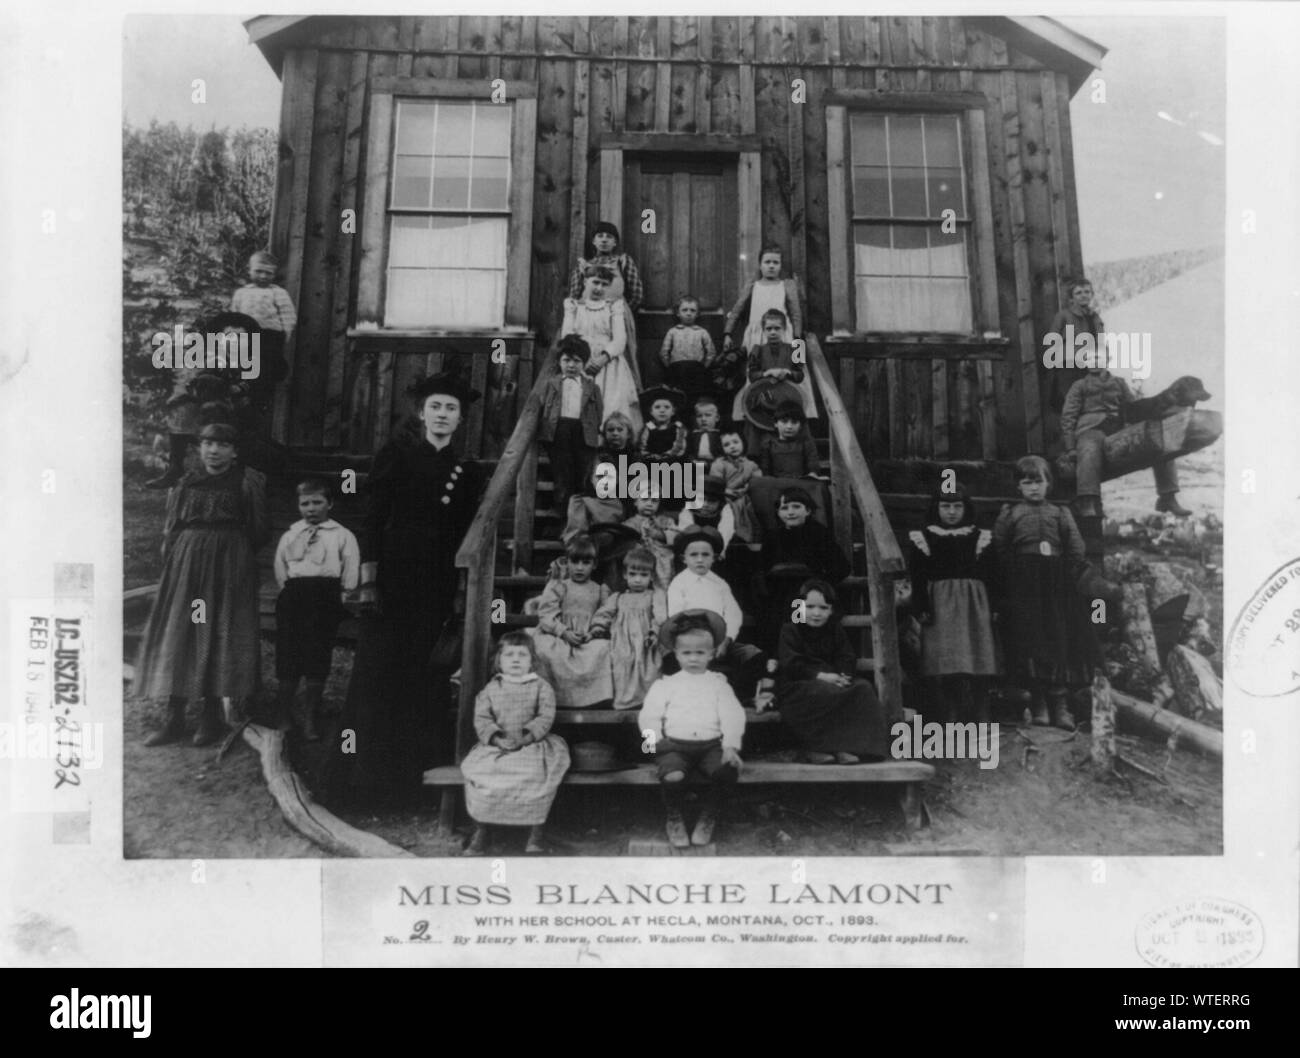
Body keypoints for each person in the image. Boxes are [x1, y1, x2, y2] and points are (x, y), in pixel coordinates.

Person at [322, 372, 485, 807]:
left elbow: (466, 532)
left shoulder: (464, 470)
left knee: (422, 675)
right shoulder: (396, 454)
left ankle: (410, 786)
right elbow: (373, 519)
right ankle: (357, 784)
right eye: (436, 406)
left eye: (451, 409)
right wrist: (370, 580)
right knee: (377, 674)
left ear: (460, 419)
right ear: (421, 412)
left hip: (435, 583)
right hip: (393, 578)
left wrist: (458, 589)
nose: (443, 415)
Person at [135, 407, 268, 746]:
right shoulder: (185, 482)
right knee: (183, 630)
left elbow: (259, 530)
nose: (214, 450)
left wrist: (231, 553)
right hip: (187, 566)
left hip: (228, 564)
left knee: (217, 632)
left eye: (223, 444)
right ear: (199, 448)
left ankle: (211, 717)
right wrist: (179, 558)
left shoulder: (247, 481)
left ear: (234, 451)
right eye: (208, 443)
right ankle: (174, 717)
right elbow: (172, 526)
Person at [992, 455, 1100, 730]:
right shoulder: (1011, 513)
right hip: (1025, 585)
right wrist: (1014, 575)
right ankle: (1038, 703)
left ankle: (1061, 705)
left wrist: (1067, 574)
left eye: (1038, 482)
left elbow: (1076, 547)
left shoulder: (1060, 513)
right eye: (1027, 483)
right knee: (1031, 638)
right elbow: (1000, 547)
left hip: (1056, 583)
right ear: (1018, 487)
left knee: (1059, 638)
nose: (1033, 488)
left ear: (1048, 484)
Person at [639, 610, 746, 848]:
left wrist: (730, 745)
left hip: (710, 745)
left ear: (711, 654)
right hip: (675, 745)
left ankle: (709, 814)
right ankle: (674, 815)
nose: (693, 658)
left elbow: (732, 714)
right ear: (676, 654)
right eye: (686, 653)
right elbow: (649, 716)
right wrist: (653, 742)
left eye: (700, 653)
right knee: (673, 775)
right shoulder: (666, 684)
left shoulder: (718, 683)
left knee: (727, 770)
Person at [461, 633, 570, 856]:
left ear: (532, 661)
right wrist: (496, 739)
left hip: (532, 744)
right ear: (499, 661)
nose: (516, 659)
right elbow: (482, 719)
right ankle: (482, 829)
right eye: (509, 655)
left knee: (535, 774)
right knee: (484, 773)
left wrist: (527, 737)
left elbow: (545, 716)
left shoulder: (541, 687)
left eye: (522, 655)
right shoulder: (491, 689)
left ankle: (535, 833)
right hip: (497, 746)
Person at [272, 477, 360, 741]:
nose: (310, 508)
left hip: (325, 597)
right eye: (305, 503)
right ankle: (284, 713)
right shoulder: (291, 534)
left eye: (317, 502)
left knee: (317, 653)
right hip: (295, 596)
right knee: (289, 651)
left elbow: (351, 567)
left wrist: (344, 594)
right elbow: (281, 567)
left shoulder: (342, 535)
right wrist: (289, 591)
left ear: (329, 503)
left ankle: (311, 716)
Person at [907, 485, 998, 725]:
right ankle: (951, 712)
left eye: (957, 506)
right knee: (945, 659)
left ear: (966, 509)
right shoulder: (924, 537)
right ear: (936, 509)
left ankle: (981, 710)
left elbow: (995, 575)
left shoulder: (980, 537)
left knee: (978, 654)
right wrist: (921, 606)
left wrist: (996, 606)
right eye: (945, 506)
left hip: (974, 604)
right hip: (941, 605)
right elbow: (917, 576)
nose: (951, 512)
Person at [775, 580, 894, 763]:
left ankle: (853, 749)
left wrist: (844, 676)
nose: (816, 613)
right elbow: (791, 664)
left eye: (823, 608)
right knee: (825, 692)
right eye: (810, 607)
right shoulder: (791, 629)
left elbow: (846, 656)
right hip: (799, 683)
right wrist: (822, 676)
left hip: (833, 679)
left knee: (863, 688)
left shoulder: (834, 629)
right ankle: (816, 748)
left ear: (831, 610)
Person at [1061, 363, 1190, 518]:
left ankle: (1168, 497)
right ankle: (1087, 500)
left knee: (1158, 439)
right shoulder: (1079, 385)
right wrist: (1070, 447)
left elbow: (1133, 407)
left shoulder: (1119, 383)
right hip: (1091, 429)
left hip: (1117, 427)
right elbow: (1068, 417)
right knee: (1089, 448)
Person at [666, 526, 765, 699]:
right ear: (684, 559)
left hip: (721, 641)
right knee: (673, 661)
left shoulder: (720, 584)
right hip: (692, 641)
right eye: (693, 555)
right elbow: (676, 615)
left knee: (753, 655)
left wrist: (726, 640)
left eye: (705, 555)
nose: (699, 560)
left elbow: (734, 614)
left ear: (714, 558)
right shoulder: (679, 584)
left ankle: (734, 693)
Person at [723, 247, 815, 421]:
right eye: (767, 262)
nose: (771, 266)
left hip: (784, 333)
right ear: (760, 264)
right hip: (757, 333)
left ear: (780, 265)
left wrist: (797, 339)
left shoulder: (787, 285)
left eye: (775, 262)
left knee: (794, 369)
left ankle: (798, 411)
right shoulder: (753, 285)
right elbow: (737, 309)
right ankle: (754, 412)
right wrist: (728, 333)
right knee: (756, 370)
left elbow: (796, 313)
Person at [755, 486, 850, 652]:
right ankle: (775, 660)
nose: (790, 512)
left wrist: (819, 586)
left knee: (798, 616)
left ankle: (801, 658)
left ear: (808, 510)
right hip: (779, 592)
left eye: (796, 507)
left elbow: (841, 567)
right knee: (770, 618)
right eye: (785, 508)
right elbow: (762, 567)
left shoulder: (819, 534)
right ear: (778, 512)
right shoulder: (773, 536)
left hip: (808, 592)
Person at [530, 534, 614, 709]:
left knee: (604, 649)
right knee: (543, 647)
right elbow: (546, 614)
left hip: (587, 639)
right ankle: (551, 698)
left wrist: (593, 632)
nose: (579, 568)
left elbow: (604, 615)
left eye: (586, 563)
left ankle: (594, 700)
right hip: (560, 635)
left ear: (594, 565)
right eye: (575, 562)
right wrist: (563, 631)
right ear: (567, 562)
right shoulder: (559, 586)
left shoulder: (599, 590)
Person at [562, 263, 642, 433]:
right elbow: (567, 335)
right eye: (596, 282)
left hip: (609, 365)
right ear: (585, 281)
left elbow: (620, 339)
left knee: (611, 405)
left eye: (604, 284)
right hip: (580, 363)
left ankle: (610, 448)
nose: (599, 288)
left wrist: (602, 359)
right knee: (580, 405)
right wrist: (583, 359)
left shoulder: (613, 307)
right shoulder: (574, 306)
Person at [590, 547, 669, 710]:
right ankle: (624, 701)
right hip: (622, 643)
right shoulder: (617, 597)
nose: (638, 580)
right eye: (633, 574)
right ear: (625, 575)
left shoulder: (654, 596)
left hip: (646, 642)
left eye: (643, 575)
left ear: (652, 576)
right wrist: (598, 626)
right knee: (621, 663)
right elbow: (603, 614)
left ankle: (647, 702)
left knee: (649, 668)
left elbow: (660, 617)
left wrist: (654, 633)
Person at [539, 334, 604, 515]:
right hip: (559, 431)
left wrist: (594, 432)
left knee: (582, 475)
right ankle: (563, 516)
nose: (571, 365)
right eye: (566, 360)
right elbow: (543, 407)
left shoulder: (591, 387)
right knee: (562, 474)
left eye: (577, 361)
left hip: (582, 432)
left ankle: (581, 518)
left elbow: (598, 411)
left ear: (584, 363)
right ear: (559, 362)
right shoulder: (552, 384)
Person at [229, 250, 295, 389]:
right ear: (249, 271)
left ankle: (262, 390)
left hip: (270, 336)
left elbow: (288, 315)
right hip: (247, 336)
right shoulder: (242, 293)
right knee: (248, 364)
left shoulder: (278, 293)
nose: (263, 276)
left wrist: (285, 334)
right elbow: (234, 315)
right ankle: (246, 388)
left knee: (268, 367)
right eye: (258, 271)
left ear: (274, 274)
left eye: (268, 273)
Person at [1045, 276, 1104, 413]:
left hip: (1090, 367)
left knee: (1090, 404)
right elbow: (1052, 341)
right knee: (1071, 404)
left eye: (1087, 292)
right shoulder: (1064, 316)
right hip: (1069, 368)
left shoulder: (1095, 318)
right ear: (1071, 298)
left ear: (1092, 295)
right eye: (1078, 293)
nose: (1083, 296)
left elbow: (1100, 343)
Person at [709, 425, 762, 547]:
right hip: (725, 497)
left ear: (743, 442)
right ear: (721, 448)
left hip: (745, 496)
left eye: (735, 442)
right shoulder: (719, 464)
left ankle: (753, 540)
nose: (732, 446)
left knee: (752, 508)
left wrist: (746, 488)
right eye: (727, 445)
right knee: (727, 512)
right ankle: (726, 541)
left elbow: (757, 480)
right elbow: (715, 483)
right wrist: (726, 490)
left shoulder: (751, 464)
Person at [659, 294, 717, 400]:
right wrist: (671, 367)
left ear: (697, 314)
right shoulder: (673, 331)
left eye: (692, 310)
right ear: (678, 313)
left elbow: (711, 352)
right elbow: (664, 352)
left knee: (695, 395)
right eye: (684, 310)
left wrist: (703, 367)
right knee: (677, 395)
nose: (688, 313)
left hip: (697, 371)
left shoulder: (701, 332)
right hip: (677, 370)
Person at [621, 484, 678, 589]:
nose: (649, 504)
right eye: (645, 499)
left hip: (662, 561)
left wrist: (660, 535)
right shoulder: (629, 524)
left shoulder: (665, 521)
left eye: (654, 501)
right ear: (635, 501)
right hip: (641, 561)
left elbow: (677, 537)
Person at [757, 401, 822, 479]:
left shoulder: (806, 442)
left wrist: (812, 474)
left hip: (801, 483)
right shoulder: (769, 443)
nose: (789, 426)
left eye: (794, 422)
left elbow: (813, 464)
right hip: (776, 484)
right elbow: (765, 468)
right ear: (776, 423)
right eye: (784, 422)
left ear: (801, 425)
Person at [637, 384, 687, 464]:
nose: (662, 410)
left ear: (673, 411)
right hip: (651, 462)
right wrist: (650, 456)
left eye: (667, 407)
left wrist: (666, 456)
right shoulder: (648, 427)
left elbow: (679, 446)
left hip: (673, 462)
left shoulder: (678, 427)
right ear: (651, 411)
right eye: (657, 407)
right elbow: (642, 446)